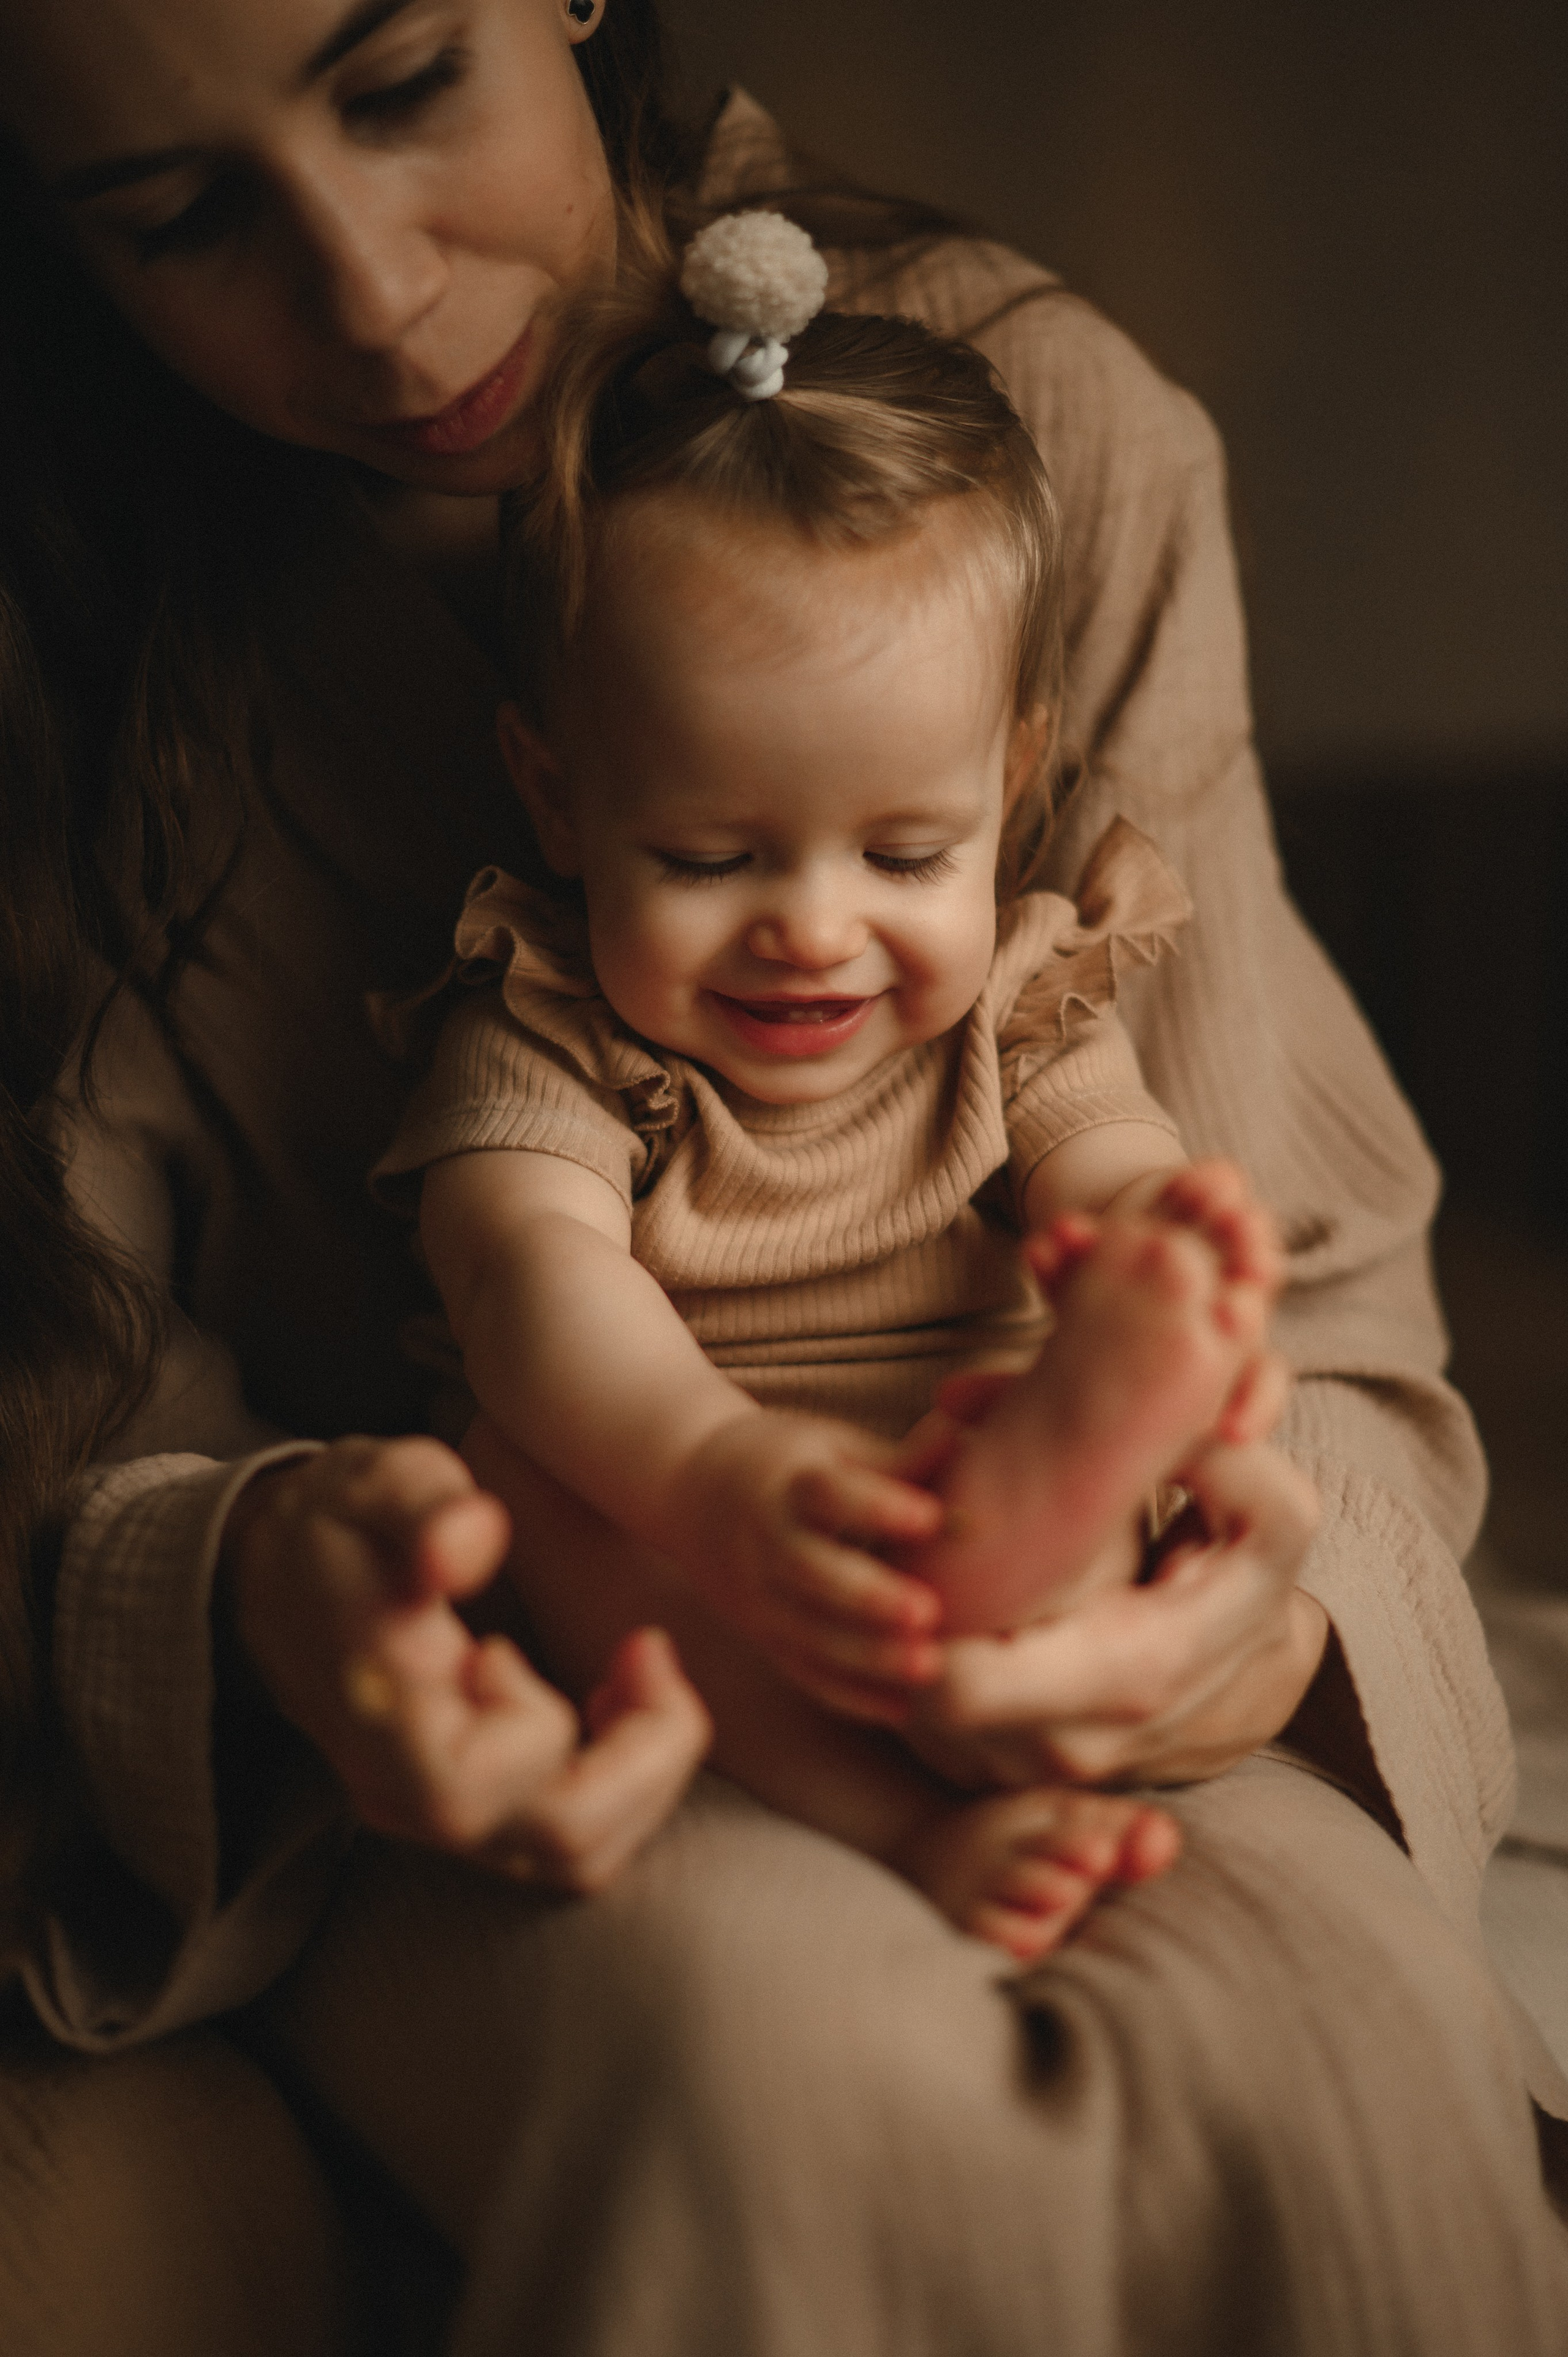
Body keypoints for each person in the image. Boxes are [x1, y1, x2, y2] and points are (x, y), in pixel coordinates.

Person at [0, 2, 1562, 2350]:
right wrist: (288, 1585)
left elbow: (1234, 1228)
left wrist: (1241, 1576)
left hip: (994, 1525)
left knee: (1361, 2058)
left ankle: (1049, 1493)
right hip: (557, 1616)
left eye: (406, 80)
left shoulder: (1032, 449)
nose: (374, 294)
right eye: (182, 216)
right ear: (550, 797)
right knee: (781, 2069)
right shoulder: (488, 986)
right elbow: (486, 1323)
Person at [382, 203, 1304, 1959]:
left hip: (966, 1451)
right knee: (519, 1478)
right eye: (714, 856)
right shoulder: (559, 1023)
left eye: (903, 853)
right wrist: (716, 1479)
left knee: (1129, 1458)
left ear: (1010, 786)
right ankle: (910, 1817)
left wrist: (1152, 1252)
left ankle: (1044, 1533)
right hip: (682, 1506)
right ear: (558, 798)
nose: (815, 932)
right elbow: (526, 1283)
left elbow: (1107, 1161)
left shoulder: (1011, 1006)